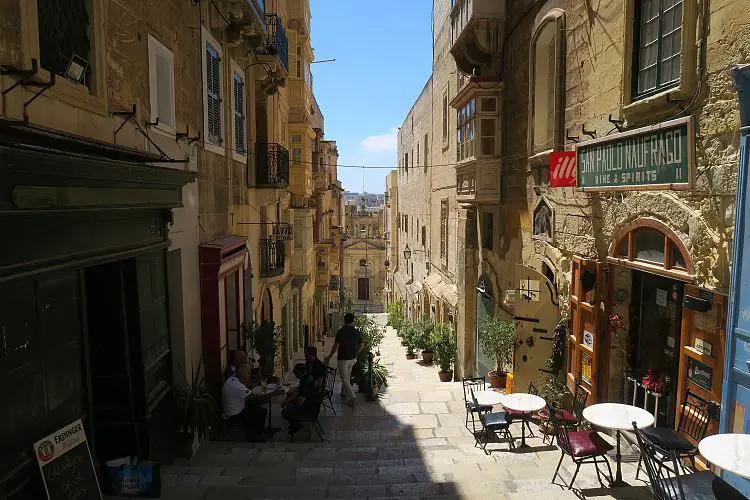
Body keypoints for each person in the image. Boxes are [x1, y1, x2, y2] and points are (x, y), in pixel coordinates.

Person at [324, 313, 363, 407]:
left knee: (344, 378)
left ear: (344, 320)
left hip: (343, 359)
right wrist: (356, 353)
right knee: (347, 376)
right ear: (353, 321)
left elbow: (335, 346)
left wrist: (330, 356)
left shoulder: (341, 331)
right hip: (352, 358)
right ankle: (343, 392)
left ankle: (352, 396)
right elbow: (362, 345)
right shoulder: (356, 331)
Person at [221, 372, 268, 442]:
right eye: (248, 375)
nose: (249, 376)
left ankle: (253, 431)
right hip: (235, 414)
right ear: (242, 376)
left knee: (254, 405)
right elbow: (257, 397)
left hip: (231, 410)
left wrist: (256, 381)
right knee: (261, 411)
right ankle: (255, 436)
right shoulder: (238, 386)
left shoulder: (232, 380)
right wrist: (272, 391)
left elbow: (247, 383)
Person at [281, 363, 321, 436]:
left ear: (299, 372)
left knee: (285, 412)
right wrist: (290, 398)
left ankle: (298, 425)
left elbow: (300, 402)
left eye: (295, 372)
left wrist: (288, 402)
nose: (294, 374)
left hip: (309, 408)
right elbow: (299, 391)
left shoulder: (305, 381)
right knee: (289, 399)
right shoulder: (307, 376)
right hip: (313, 404)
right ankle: (296, 424)